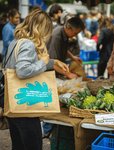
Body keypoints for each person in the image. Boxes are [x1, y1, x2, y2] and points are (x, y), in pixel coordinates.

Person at [4, 9, 69, 150]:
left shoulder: (16, 42)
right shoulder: (28, 44)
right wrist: (44, 63)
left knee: (19, 146)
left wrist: (53, 62)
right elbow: (23, 70)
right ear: (41, 29)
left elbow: (20, 65)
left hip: (14, 104)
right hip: (25, 108)